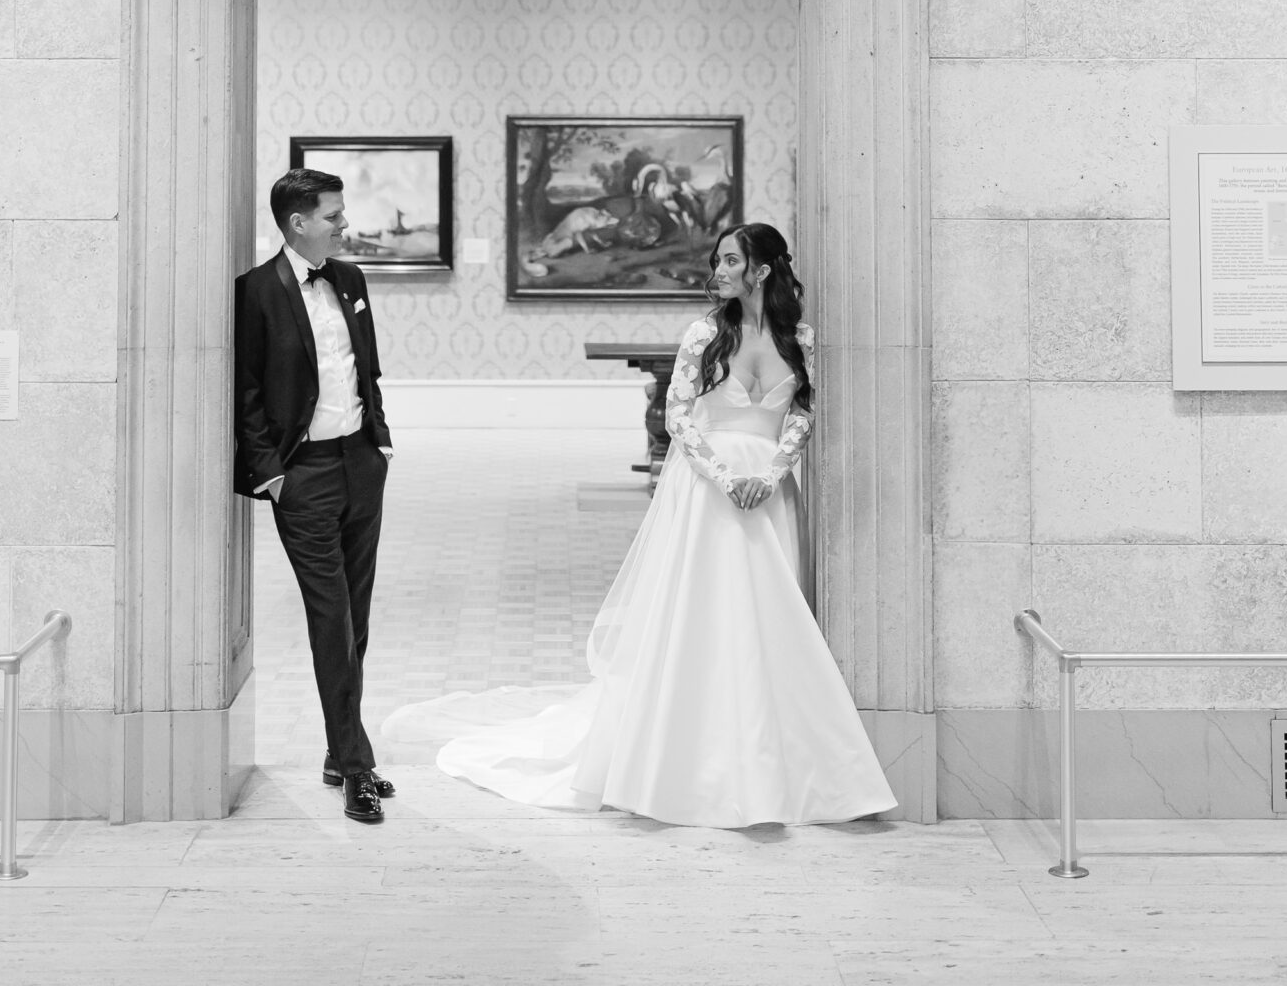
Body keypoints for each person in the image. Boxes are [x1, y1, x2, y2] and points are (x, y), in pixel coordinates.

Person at [402, 222, 897, 828]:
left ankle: (777, 758)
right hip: (710, 493)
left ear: (763, 270)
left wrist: (773, 473)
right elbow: (677, 416)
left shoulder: (801, 338)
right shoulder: (705, 334)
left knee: (773, 620)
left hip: (769, 495)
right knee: (704, 615)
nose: (717, 272)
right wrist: (724, 477)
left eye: (731, 261)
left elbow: (802, 412)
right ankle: (686, 759)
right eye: (717, 261)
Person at [233, 168, 396, 827]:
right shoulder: (255, 292)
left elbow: (365, 367)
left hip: (360, 463)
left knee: (357, 615)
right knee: (331, 618)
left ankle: (338, 748)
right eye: (333, 215)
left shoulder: (350, 280)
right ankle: (355, 768)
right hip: (303, 476)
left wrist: (380, 443)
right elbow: (245, 392)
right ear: (298, 223)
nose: (343, 224)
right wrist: (273, 474)